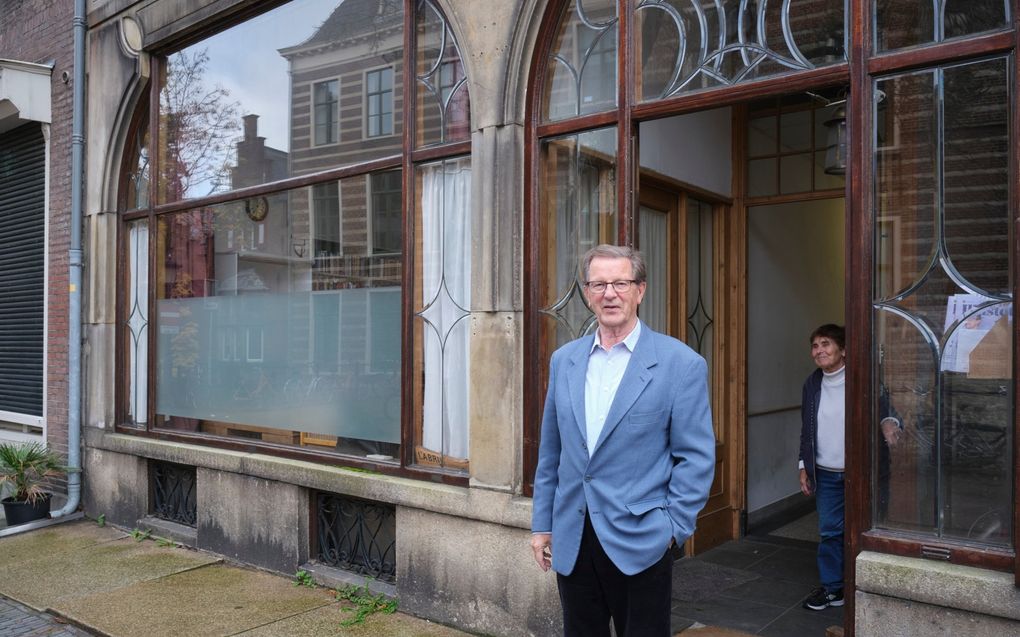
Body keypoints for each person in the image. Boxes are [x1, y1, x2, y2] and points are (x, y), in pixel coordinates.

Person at [530, 244, 716, 636]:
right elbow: (552, 452)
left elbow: (696, 459)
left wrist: (672, 528)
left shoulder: (680, 364)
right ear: (586, 291)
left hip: (641, 540)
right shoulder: (565, 360)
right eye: (598, 284)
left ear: (640, 290)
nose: (609, 293)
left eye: (620, 282)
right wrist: (541, 525)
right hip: (573, 538)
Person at [799, 323, 900, 611]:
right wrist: (803, 465)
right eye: (815, 346)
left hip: (862, 472)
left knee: (867, 529)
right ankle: (834, 589)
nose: (819, 350)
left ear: (843, 350)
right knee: (830, 532)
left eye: (826, 344)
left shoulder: (862, 378)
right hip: (826, 473)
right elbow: (806, 429)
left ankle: (871, 587)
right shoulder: (812, 384)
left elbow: (886, 411)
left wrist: (889, 423)